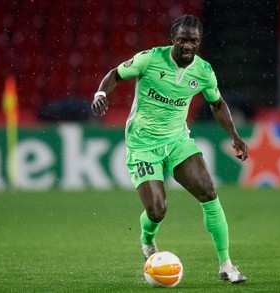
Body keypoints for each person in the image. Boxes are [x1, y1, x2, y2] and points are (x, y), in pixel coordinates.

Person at [91, 14, 248, 284]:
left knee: (209, 193)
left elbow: (217, 103)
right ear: (172, 39)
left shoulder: (203, 71)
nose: (189, 45)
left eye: (194, 41)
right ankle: (147, 241)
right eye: (183, 40)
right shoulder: (149, 59)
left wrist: (234, 135)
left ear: (199, 42)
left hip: (177, 141)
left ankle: (226, 264)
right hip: (143, 144)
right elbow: (115, 74)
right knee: (157, 210)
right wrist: (101, 94)